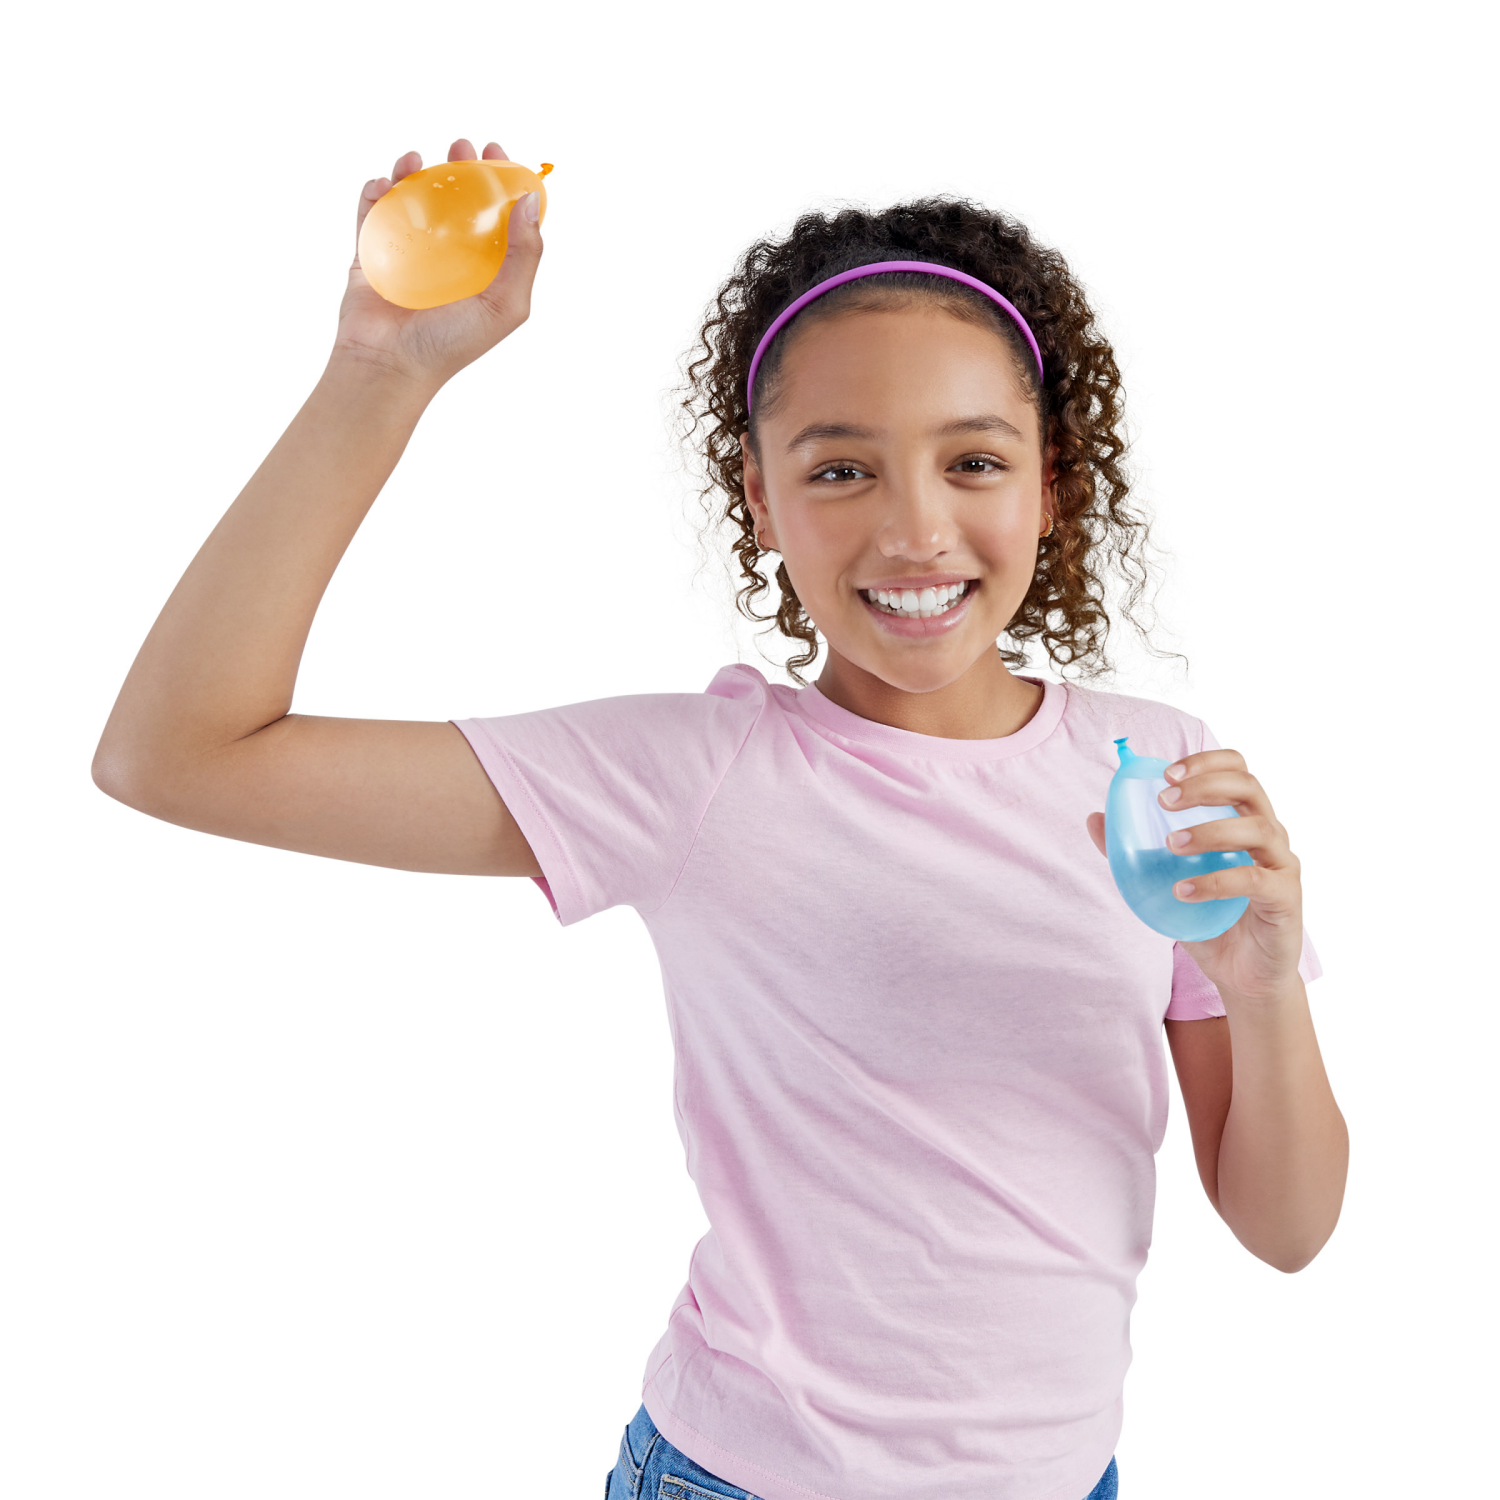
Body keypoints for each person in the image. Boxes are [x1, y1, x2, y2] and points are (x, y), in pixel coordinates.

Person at [92, 137, 1349, 1500]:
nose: (915, 530)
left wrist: (1263, 985)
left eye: (974, 461)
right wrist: (375, 375)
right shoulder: (698, 776)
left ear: (1051, 481)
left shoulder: (1156, 772)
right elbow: (177, 755)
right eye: (841, 471)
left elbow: (1286, 1230)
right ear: (760, 499)